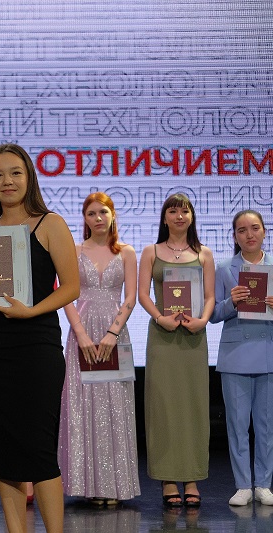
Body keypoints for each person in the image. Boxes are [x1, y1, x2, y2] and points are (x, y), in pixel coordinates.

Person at [0, 143, 79, 533]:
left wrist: (31, 310)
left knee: (40, 452)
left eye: (15, 172)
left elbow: (72, 287)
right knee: (6, 456)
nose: (7, 181)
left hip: (37, 349)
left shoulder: (50, 223)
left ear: (29, 177)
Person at [58, 192, 141, 505]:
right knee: (82, 406)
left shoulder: (127, 252)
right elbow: (65, 294)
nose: (98, 218)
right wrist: (80, 334)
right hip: (81, 334)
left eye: (103, 212)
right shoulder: (74, 251)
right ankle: (89, 486)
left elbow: (130, 297)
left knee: (116, 407)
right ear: (84, 218)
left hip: (115, 334)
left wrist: (112, 333)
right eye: (91, 213)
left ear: (112, 215)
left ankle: (114, 487)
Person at [137, 193, 215, 508]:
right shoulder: (151, 252)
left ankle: (192, 478)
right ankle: (168, 479)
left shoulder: (204, 253)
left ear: (192, 217)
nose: (179, 216)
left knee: (194, 407)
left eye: (184, 211)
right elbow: (143, 294)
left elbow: (209, 296)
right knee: (164, 408)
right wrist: (160, 318)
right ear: (164, 217)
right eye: (173, 211)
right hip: (162, 337)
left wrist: (203, 320)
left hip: (194, 338)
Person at [209, 209, 273, 507]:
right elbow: (213, 314)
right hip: (235, 355)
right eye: (242, 230)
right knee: (237, 425)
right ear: (234, 236)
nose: (249, 234)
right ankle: (243, 485)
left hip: (268, 352)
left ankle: (264, 484)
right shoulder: (224, 268)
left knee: (266, 425)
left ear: (264, 232)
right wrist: (231, 302)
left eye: (255, 228)